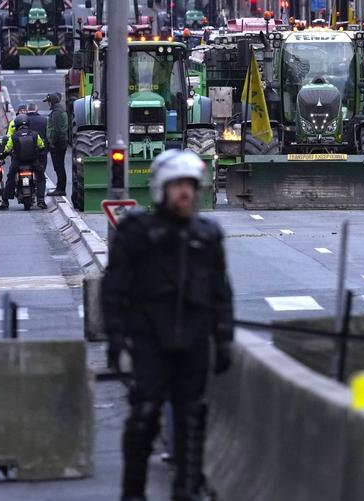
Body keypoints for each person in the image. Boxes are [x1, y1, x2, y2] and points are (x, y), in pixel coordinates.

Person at [102, 149, 234, 501]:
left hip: (192, 341)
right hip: (148, 339)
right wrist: (115, 338)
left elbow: (221, 292)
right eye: (177, 186)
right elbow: (114, 288)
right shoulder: (137, 232)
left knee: (191, 419)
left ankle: (186, 490)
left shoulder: (207, 235)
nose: (185, 193)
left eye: (190, 186)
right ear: (162, 188)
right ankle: (133, 492)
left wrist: (224, 339)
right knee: (144, 416)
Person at [0, 114, 47, 210]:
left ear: (16, 125)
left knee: (10, 178)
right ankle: (41, 200)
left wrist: (4, 153)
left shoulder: (14, 136)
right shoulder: (34, 134)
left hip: (18, 162)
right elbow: (41, 145)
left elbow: (7, 149)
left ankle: (5, 201)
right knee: (41, 178)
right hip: (33, 162)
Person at [44, 92, 69, 196]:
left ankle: (60, 189)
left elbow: (57, 129)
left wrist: (52, 142)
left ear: (52, 102)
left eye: (48, 102)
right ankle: (60, 187)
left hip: (58, 143)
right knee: (59, 166)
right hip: (61, 141)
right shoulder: (58, 110)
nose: (48, 104)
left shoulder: (56, 112)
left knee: (59, 167)